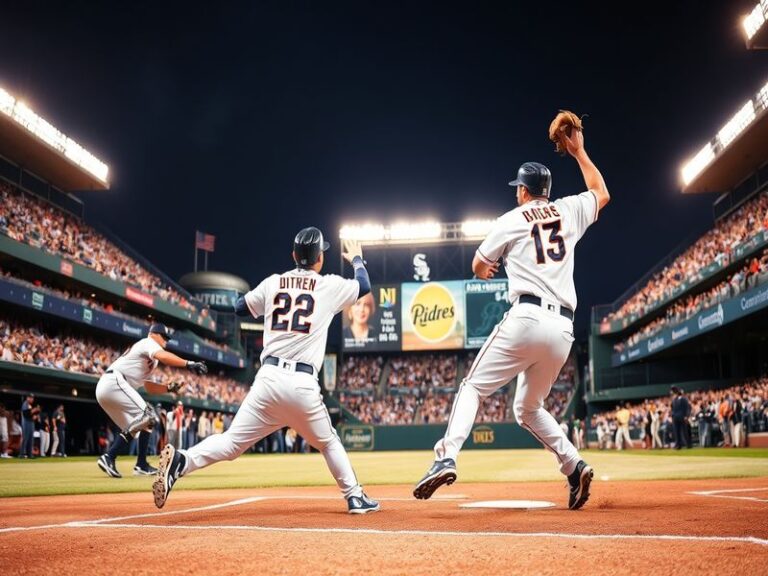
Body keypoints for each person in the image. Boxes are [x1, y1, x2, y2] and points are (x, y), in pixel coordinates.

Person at [413, 120, 610, 510]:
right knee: (527, 408)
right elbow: (601, 192)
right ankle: (573, 466)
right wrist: (578, 152)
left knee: (472, 387)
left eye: (517, 189)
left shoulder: (511, 219)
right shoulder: (568, 210)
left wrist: (484, 269)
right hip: (563, 329)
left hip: (527, 317)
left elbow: (477, 263)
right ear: (547, 192)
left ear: (523, 191)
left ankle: (445, 456)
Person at [154, 229, 379, 514]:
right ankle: (355, 497)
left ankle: (182, 461)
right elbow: (364, 285)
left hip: (268, 381)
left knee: (232, 444)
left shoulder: (274, 282)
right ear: (319, 258)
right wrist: (357, 258)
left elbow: (238, 308)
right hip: (301, 383)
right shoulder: (329, 286)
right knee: (329, 442)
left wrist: (270, 300)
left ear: (294, 256)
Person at [95, 323, 208, 478]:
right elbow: (163, 356)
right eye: (164, 337)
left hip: (109, 387)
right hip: (114, 382)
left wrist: (169, 388)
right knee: (149, 416)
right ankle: (109, 457)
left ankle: (141, 465)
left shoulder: (150, 358)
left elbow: (148, 387)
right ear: (154, 334)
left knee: (142, 425)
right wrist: (188, 363)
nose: (166, 341)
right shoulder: (148, 342)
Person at [20, 393, 40, 458]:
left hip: (31, 424)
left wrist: (35, 415)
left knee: (31, 439)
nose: (32, 399)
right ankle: (22, 454)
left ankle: (30, 454)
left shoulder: (29, 405)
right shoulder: (25, 404)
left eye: (32, 398)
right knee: (25, 438)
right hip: (26, 424)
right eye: (30, 397)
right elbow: (26, 414)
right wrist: (35, 410)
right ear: (27, 398)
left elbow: (31, 414)